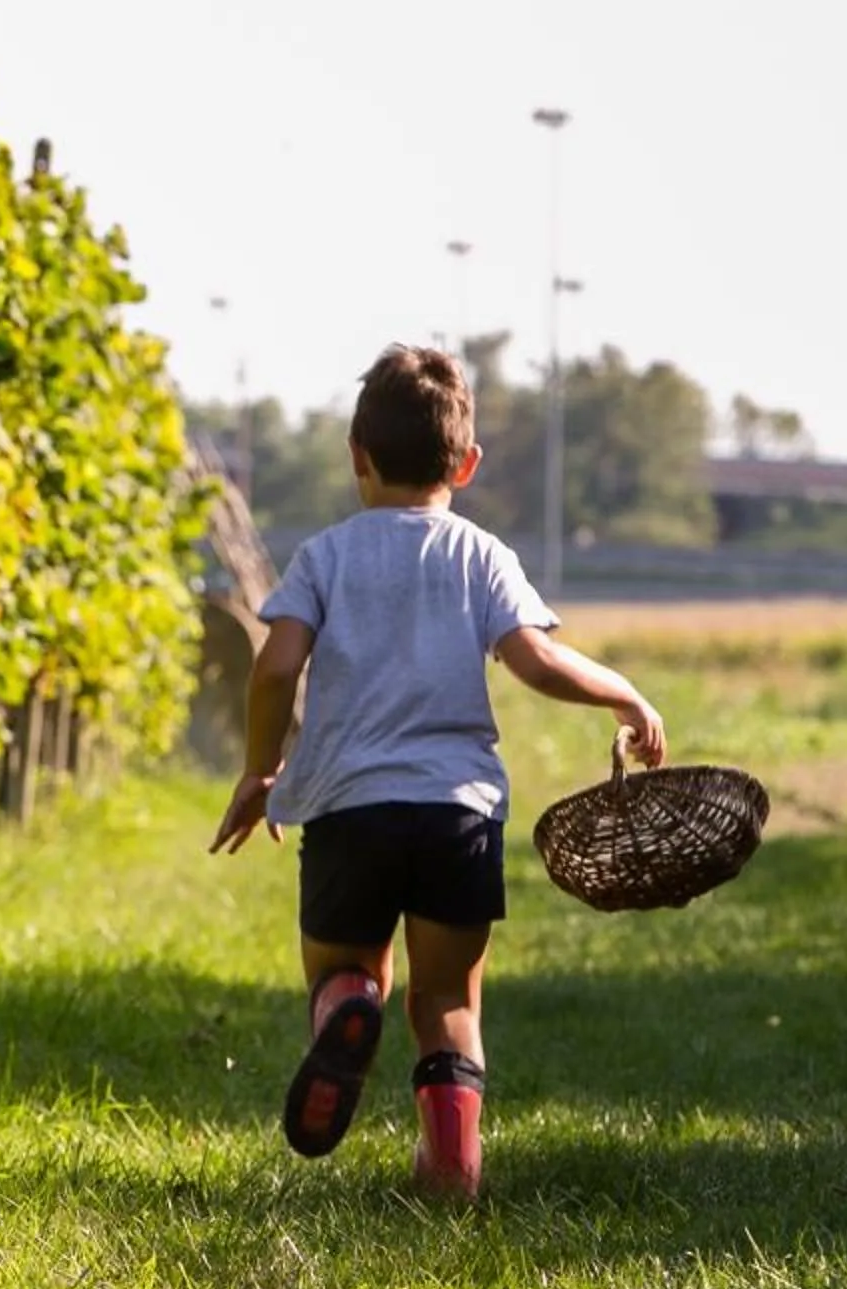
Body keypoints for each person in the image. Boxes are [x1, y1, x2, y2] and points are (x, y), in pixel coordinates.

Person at [208, 344, 665, 1200]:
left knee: (345, 970)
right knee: (448, 998)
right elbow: (535, 661)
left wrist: (260, 771)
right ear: (467, 463)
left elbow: (274, 669)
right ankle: (451, 1164)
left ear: (357, 455)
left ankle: (348, 1004)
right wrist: (624, 695)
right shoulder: (481, 556)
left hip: (348, 808)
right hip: (458, 813)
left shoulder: (325, 557)